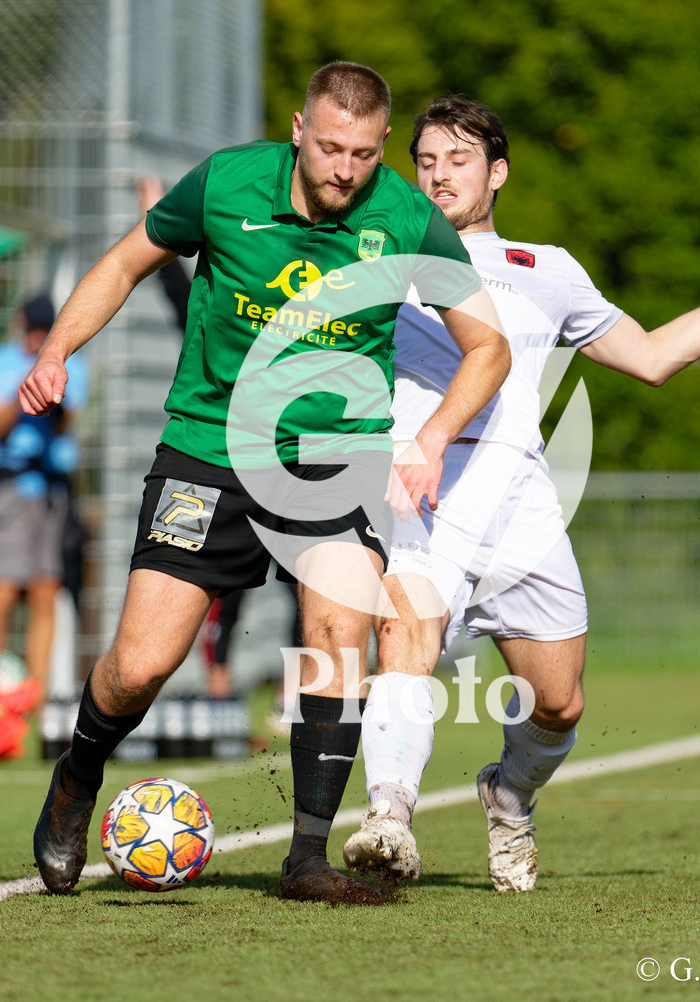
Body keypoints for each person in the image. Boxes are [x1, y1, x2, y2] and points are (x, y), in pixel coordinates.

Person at [21, 65, 509, 904]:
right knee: (139, 667)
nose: (343, 168)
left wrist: (427, 439)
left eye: (361, 152)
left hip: (336, 457)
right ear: (296, 129)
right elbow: (126, 260)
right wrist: (59, 349)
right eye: (327, 147)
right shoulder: (223, 184)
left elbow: (487, 346)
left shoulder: (404, 216)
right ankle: (76, 776)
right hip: (209, 450)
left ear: (380, 146)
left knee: (336, 631)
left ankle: (307, 857)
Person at [342, 95, 700, 892]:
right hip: (420, 486)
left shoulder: (545, 268)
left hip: (519, 498)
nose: (439, 174)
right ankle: (388, 816)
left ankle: (507, 794)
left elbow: (653, 357)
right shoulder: (382, 255)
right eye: (424, 161)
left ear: (498, 171)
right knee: (405, 642)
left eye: (458, 159)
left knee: (557, 704)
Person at [0, 294, 88, 713]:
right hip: (12, 488)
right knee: (2, 592)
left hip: (53, 491)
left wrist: (53, 397)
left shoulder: (73, 364)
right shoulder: (5, 362)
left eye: (45, 328)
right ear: (21, 323)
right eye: (34, 327)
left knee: (44, 592)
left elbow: (70, 419)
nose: (39, 335)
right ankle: (2, 695)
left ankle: (30, 702)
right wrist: (23, 397)